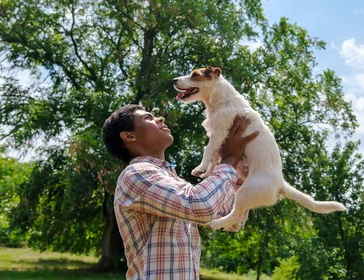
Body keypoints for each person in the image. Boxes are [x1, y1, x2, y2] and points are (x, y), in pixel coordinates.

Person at [102, 104, 259, 280]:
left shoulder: (172, 181)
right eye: (148, 118)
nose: (160, 118)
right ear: (129, 136)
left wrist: (239, 174)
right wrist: (229, 159)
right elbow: (201, 206)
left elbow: (232, 221)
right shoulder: (137, 174)